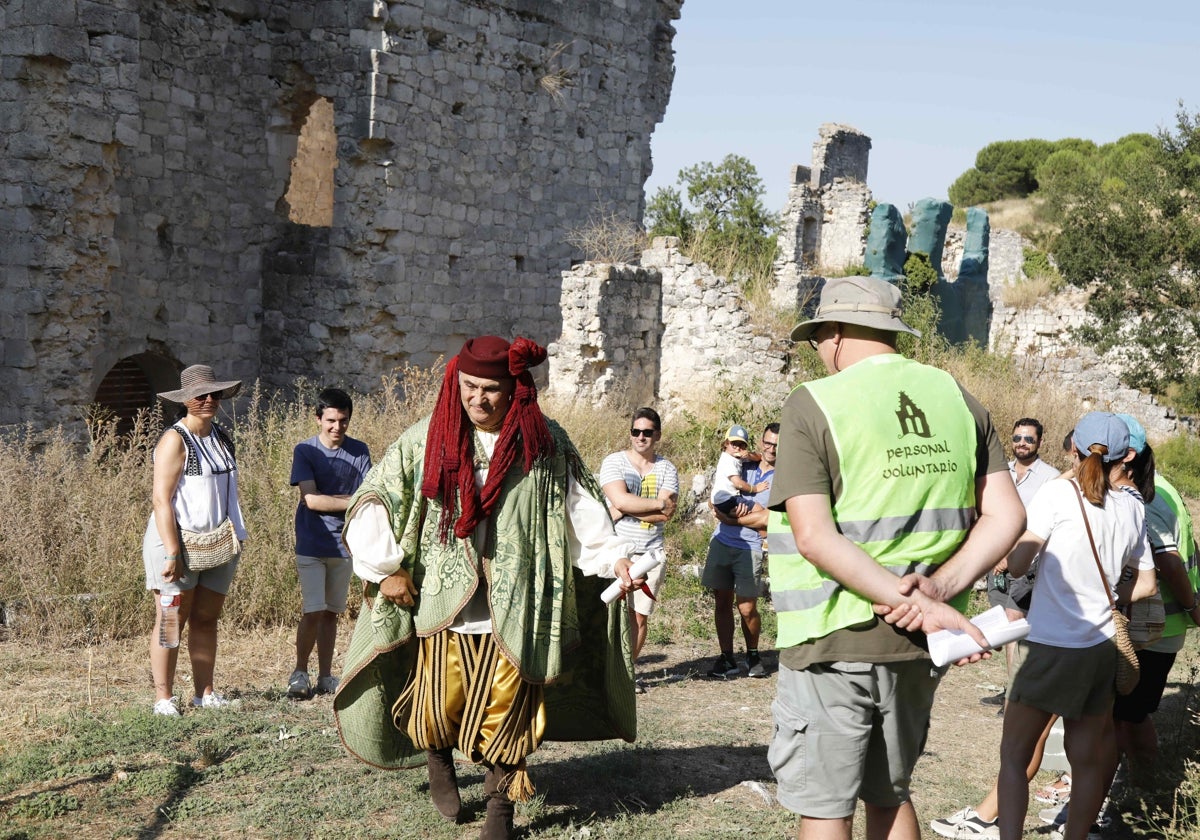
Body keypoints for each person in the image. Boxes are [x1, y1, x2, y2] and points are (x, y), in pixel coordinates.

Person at [332, 336, 639, 840]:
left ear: (515, 389)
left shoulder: (543, 442)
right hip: (442, 603)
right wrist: (384, 568)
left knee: (510, 710)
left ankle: (501, 809)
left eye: (491, 389)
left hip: (518, 604)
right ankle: (438, 759)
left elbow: (581, 504)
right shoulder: (426, 438)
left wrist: (614, 557)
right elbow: (377, 496)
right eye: (469, 386)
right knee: (438, 704)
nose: (478, 398)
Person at [766, 276, 1026, 840]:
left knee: (827, 806)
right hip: (919, 645)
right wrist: (936, 593)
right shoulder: (957, 396)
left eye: (817, 341)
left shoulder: (814, 404)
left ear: (832, 334)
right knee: (889, 795)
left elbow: (813, 536)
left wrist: (907, 600)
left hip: (833, 633)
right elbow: (1007, 517)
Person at [996, 412, 1158, 840]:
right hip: (1101, 646)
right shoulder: (1132, 507)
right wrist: (1109, 596)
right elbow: (1145, 583)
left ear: (1073, 448)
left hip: (1048, 644)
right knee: (1086, 761)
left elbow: (1016, 565)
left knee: (1014, 757)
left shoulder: (1056, 494)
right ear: (1128, 455)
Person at [142, 364, 247, 716]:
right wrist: (172, 552)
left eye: (214, 394)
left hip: (218, 541)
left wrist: (237, 535)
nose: (209, 400)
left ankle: (205, 693)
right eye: (201, 395)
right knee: (171, 619)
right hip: (177, 543)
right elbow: (161, 499)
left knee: (206, 618)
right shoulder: (175, 439)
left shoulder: (219, 435)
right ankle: (163, 698)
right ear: (185, 400)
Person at [1111, 414, 1200, 786]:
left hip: (1153, 627)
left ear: (1126, 455)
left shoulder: (1146, 499)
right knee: (1130, 713)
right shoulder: (1161, 486)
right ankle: (1139, 783)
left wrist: (1194, 607)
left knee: (1125, 715)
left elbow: (1168, 559)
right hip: (1161, 624)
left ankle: (1130, 785)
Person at [286, 387, 372, 699]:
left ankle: (324, 676)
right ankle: (299, 673)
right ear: (319, 418)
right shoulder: (305, 451)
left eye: (343, 421)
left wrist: (336, 500)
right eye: (331, 420)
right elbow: (311, 500)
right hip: (311, 542)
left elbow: (370, 496)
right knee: (313, 609)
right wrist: (351, 500)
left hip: (345, 544)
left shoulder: (360, 450)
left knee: (331, 613)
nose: (337, 427)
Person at [981, 418, 1060, 709]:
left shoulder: (1051, 478)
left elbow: (1043, 526)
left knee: (1015, 623)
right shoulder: (1001, 474)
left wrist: (1011, 554)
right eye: (1017, 438)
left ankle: (1016, 696)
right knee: (1006, 626)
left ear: (1039, 442)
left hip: (1028, 563)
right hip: (997, 561)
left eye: (1028, 439)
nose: (1022, 443)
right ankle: (1011, 689)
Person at [600, 407, 679, 692]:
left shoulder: (667, 468)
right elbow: (619, 499)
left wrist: (626, 508)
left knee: (638, 617)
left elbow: (666, 513)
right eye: (636, 431)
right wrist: (653, 503)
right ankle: (603, 671)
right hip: (616, 550)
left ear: (657, 435)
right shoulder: (614, 462)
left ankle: (625, 672)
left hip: (650, 555)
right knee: (609, 613)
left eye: (647, 432)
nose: (641, 437)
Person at [703, 423, 777, 679]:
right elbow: (714, 502)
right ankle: (726, 657)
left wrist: (730, 520)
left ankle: (753, 653)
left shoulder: (783, 477)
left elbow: (767, 519)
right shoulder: (740, 462)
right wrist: (722, 514)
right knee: (721, 602)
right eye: (767, 443)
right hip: (723, 541)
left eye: (777, 445)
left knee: (747, 607)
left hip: (750, 545)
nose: (771, 449)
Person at [710, 424, 767, 516]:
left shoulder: (737, 456)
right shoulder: (727, 460)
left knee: (746, 512)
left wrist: (748, 455)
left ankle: (732, 516)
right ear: (726, 443)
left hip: (723, 499)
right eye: (734, 444)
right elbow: (738, 483)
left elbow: (759, 457)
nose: (737, 448)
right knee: (759, 509)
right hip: (726, 499)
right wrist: (755, 488)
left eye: (741, 445)